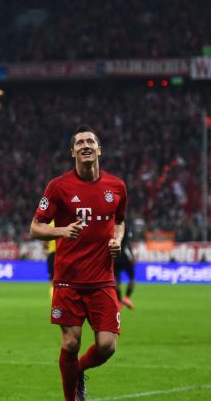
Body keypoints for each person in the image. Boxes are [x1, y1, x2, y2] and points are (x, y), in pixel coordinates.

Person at [30, 126, 127, 401]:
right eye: (80, 142)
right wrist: (62, 231)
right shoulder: (58, 186)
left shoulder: (117, 187)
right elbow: (35, 228)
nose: (86, 145)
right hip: (68, 281)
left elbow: (120, 221)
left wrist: (118, 239)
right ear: (72, 151)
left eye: (91, 142)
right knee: (71, 342)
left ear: (99, 149)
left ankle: (79, 370)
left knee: (107, 346)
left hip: (102, 280)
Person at [114, 223, 136, 310]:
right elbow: (128, 244)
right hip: (124, 256)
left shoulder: (110, 226)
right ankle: (127, 297)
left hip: (114, 256)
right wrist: (132, 256)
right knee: (132, 277)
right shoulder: (125, 227)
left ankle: (119, 301)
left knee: (117, 280)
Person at [45, 220, 56, 300]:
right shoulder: (65, 223)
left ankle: (53, 300)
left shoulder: (49, 225)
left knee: (52, 280)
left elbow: (45, 243)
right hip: (63, 254)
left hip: (52, 255)